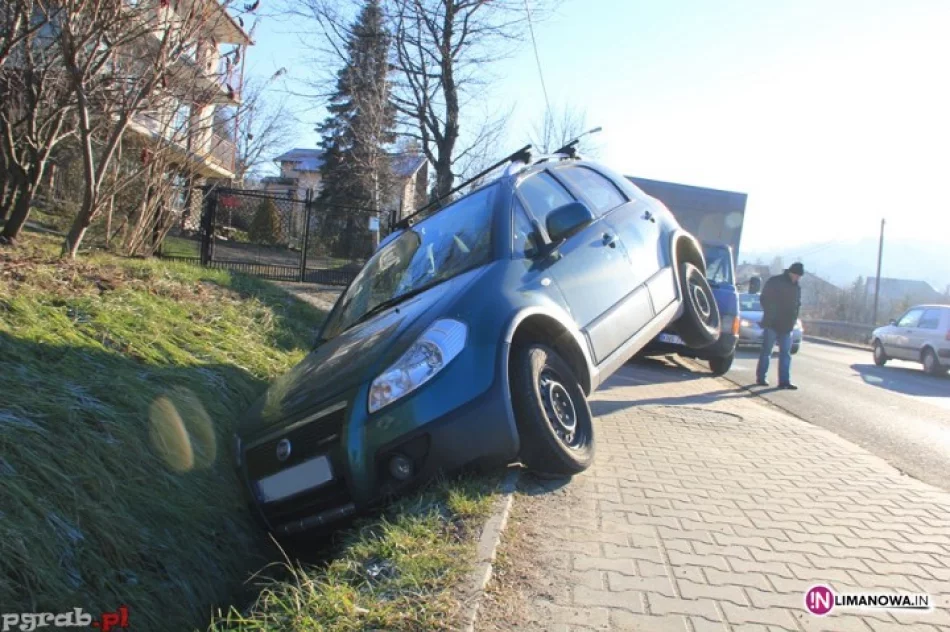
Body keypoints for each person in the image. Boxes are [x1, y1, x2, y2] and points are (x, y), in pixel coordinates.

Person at [755, 262, 804, 389]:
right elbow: (764, 298)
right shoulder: (775, 281)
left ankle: (784, 381)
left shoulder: (797, 287)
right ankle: (761, 378)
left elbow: (797, 305)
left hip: (787, 326)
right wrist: (771, 313)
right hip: (772, 323)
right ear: (791, 272)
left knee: (785, 354)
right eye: (796, 275)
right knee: (767, 351)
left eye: (799, 277)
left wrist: (793, 320)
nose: (797, 278)